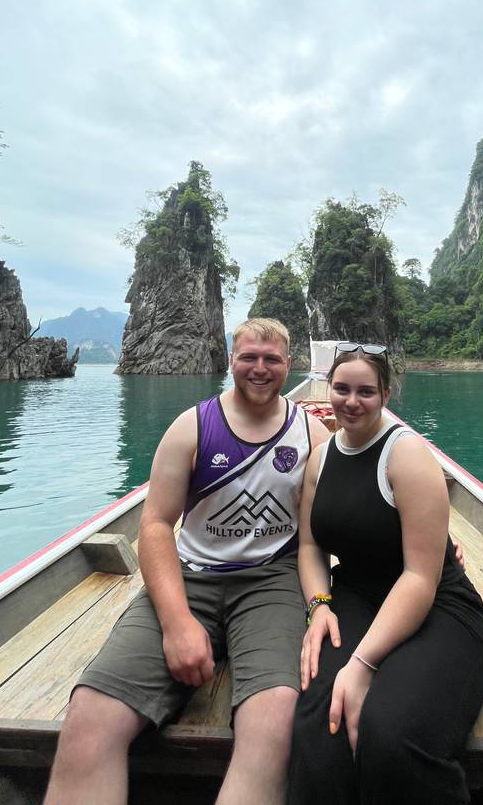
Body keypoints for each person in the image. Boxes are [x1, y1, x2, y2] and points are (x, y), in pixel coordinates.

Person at [44, 318, 330, 805]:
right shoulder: (193, 427)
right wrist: (177, 624)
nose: (259, 369)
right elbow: (155, 525)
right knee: (90, 716)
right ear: (230, 360)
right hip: (190, 578)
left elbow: (365, 477)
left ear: (289, 364)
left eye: (272, 359)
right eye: (248, 357)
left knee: (276, 717)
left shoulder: (311, 434)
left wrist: (430, 539)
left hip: (273, 583)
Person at [287, 342, 483, 805]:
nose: (351, 401)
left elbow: (421, 576)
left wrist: (362, 665)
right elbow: (310, 546)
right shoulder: (320, 459)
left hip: (437, 604)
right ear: (328, 389)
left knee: (392, 734)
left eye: (366, 391)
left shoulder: (407, 456)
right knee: (321, 721)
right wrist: (319, 605)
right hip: (355, 594)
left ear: (385, 395)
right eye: (341, 389)